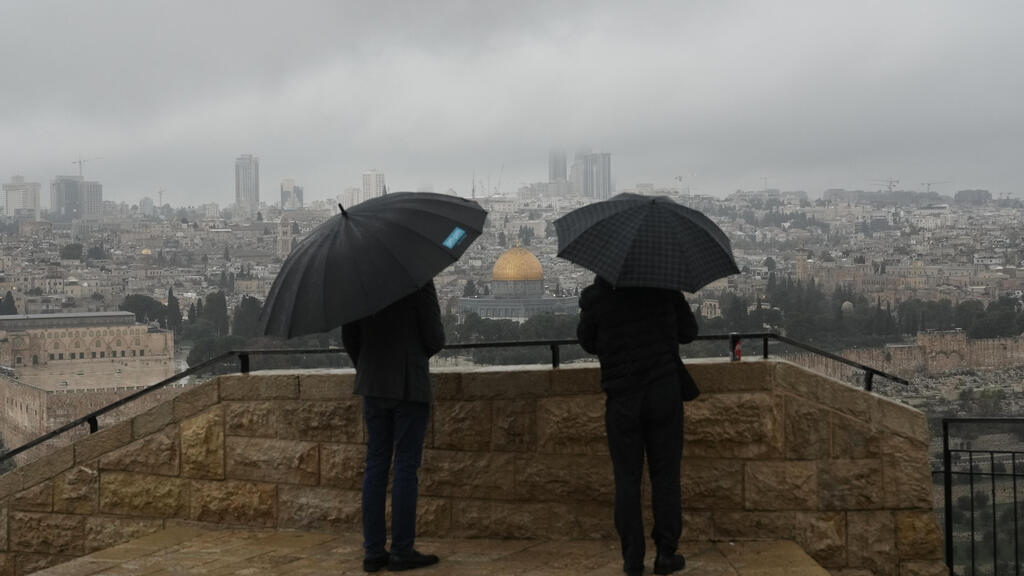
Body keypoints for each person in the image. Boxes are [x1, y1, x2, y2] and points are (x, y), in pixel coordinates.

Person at [577, 276, 699, 576]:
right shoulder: (664, 287)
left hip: (622, 398)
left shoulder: (598, 295)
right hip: (663, 393)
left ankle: (632, 559)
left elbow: (586, 341)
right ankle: (666, 554)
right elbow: (689, 333)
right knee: (666, 476)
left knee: (626, 479)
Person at [342, 281, 446, 573]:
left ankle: (373, 552)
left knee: (375, 465)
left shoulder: (357, 281)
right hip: (408, 383)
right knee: (404, 466)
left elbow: (350, 338)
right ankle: (402, 550)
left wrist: (370, 366)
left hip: (373, 385)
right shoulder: (416, 279)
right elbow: (435, 339)